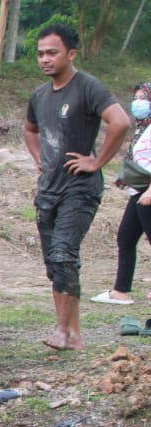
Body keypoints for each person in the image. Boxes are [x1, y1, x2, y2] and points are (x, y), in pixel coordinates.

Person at [24, 24, 131, 350]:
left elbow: (121, 122)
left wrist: (96, 163)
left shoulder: (88, 87)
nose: (45, 59)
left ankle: (64, 331)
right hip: (49, 189)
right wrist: (40, 159)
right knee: (54, 264)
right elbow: (30, 130)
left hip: (80, 188)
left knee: (63, 253)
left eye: (52, 53)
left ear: (71, 54)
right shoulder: (40, 95)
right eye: (41, 53)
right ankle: (73, 334)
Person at [91, 82, 151, 306]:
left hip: (149, 190)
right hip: (139, 189)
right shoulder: (142, 127)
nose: (138, 103)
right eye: (136, 97)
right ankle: (120, 290)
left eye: (143, 97)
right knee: (126, 237)